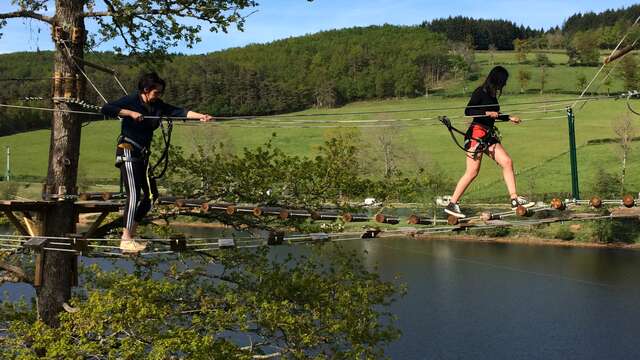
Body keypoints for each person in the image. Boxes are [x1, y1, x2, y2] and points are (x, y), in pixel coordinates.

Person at [101, 72, 213, 253]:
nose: (159, 95)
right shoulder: (132, 100)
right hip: (128, 151)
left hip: (142, 156)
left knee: (151, 196)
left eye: (160, 93)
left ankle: (132, 235)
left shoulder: (157, 105)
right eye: (157, 92)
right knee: (134, 195)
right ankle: (126, 238)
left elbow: (179, 111)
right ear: (146, 90)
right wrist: (130, 113)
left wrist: (201, 116)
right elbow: (106, 108)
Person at [444, 66, 534, 219]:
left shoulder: (492, 95)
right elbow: (469, 111)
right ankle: (452, 203)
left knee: (507, 162)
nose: (504, 84)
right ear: (497, 80)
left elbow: (495, 114)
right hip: (476, 135)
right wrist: (487, 113)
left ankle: (514, 199)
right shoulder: (480, 92)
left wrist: (508, 117)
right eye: (503, 81)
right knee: (472, 172)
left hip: (488, 136)